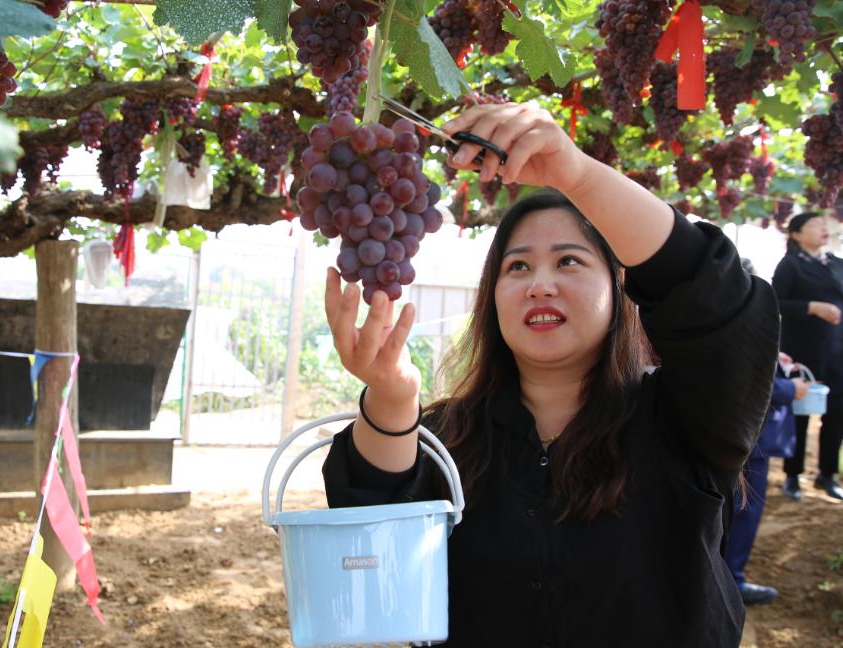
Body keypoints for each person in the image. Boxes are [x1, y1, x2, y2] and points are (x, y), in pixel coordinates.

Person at [321, 101, 779, 647]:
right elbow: (373, 535)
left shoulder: (686, 417)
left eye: (568, 261)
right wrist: (392, 400)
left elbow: (709, 287)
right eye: (518, 266)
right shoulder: (448, 439)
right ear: (492, 297)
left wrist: (578, 173)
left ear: (619, 291)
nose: (540, 284)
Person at [724, 350, 808, 605]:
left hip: (731, 428)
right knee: (744, 508)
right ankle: (730, 581)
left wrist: (776, 360)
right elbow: (744, 373)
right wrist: (789, 388)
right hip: (747, 433)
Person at [771, 212, 843, 500]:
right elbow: (774, 302)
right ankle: (792, 475)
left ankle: (827, 474)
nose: (822, 228)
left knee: (837, 412)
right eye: (814, 225)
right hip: (802, 350)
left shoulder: (836, 263)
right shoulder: (790, 265)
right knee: (799, 411)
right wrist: (811, 307)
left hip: (836, 350)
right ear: (796, 234)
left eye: (824, 225)